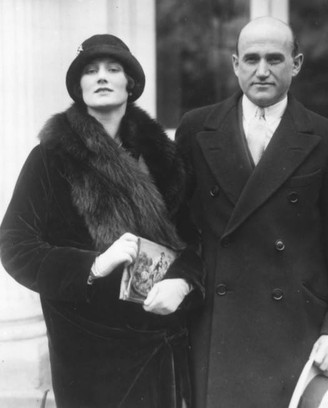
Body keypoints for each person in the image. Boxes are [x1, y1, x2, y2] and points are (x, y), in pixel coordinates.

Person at [0, 34, 204, 408]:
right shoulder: (50, 158)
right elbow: (15, 246)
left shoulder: (166, 160)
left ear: (131, 84)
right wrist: (92, 265)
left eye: (114, 68)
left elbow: (196, 241)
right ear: (79, 87)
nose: (102, 77)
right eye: (90, 71)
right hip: (87, 349)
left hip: (159, 342)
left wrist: (184, 283)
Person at [175, 17, 328, 408]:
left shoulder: (325, 137)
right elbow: (182, 233)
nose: (262, 71)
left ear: (296, 64)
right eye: (251, 58)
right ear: (234, 64)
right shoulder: (195, 129)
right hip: (217, 326)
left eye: (275, 59)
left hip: (295, 324)